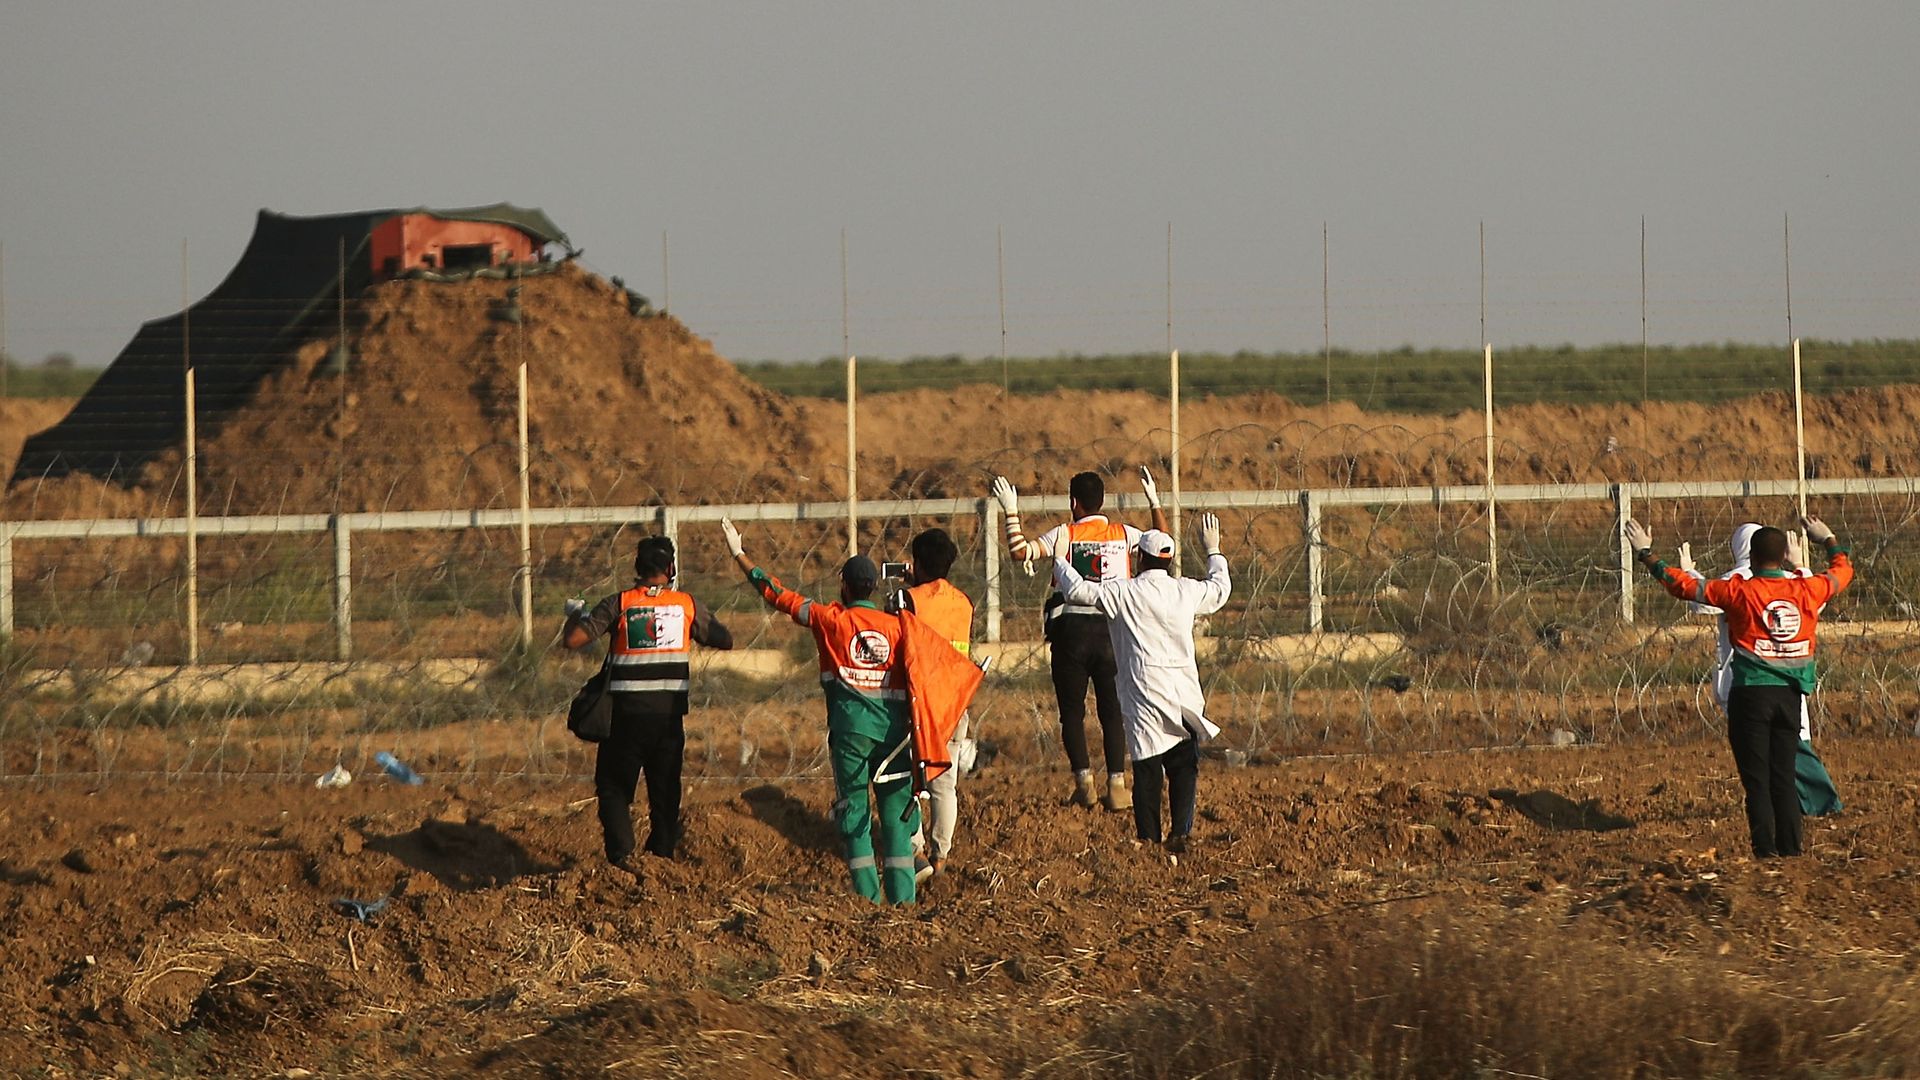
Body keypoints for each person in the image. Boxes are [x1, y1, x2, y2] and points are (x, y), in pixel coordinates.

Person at [1627, 515, 1853, 859]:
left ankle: (1765, 852)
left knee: (1757, 782)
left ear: (1749, 554)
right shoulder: (1806, 589)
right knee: (1783, 777)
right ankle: (1792, 853)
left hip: (1750, 696)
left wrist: (1645, 553)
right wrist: (1828, 538)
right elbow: (1842, 571)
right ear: (1783, 555)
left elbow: (1682, 587)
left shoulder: (1738, 590)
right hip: (1791, 696)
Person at [721, 517, 920, 904]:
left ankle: (868, 903)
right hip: (896, 736)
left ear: (844, 588)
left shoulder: (830, 619)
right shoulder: (899, 627)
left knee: (855, 816)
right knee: (897, 819)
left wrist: (740, 555)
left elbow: (778, 595)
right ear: (874, 588)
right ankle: (905, 904)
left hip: (851, 735)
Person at [990, 467, 1170, 812]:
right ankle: (1117, 785)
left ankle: (1083, 784)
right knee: (1112, 711)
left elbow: (1019, 551)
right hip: (1112, 630)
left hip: (1071, 631)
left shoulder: (1064, 534)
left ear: (1074, 502)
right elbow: (1163, 543)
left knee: (1072, 712)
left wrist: (1011, 511)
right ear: (1101, 501)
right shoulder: (1122, 534)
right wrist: (1154, 502)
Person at [1054, 513, 1231, 852]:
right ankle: (1181, 833)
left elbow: (1077, 591)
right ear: (1169, 561)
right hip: (1184, 693)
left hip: (1144, 692)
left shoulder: (1125, 591)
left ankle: (1149, 840)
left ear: (1138, 558)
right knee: (1183, 766)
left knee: (1147, 767)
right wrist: (1214, 551)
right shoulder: (1185, 591)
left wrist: (1062, 559)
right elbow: (1220, 589)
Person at [560, 536, 733, 867]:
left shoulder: (620, 603)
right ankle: (661, 862)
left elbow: (574, 640)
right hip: (668, 720)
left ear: (638, 568)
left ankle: (623, 857)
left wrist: (575, 614)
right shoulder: (686, 605)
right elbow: (724, 640)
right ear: (671, 568)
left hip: (624, 720)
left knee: (613, 789)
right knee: (665, 795)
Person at [1692, 523, 1843, 816]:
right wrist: (1802, 566)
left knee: (1763, 753)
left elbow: (1702, 603)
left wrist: (1690, 574)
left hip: (1745, 679)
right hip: (1788, 675)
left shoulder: (1735, 580)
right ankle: (1801, 808)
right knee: (1793, 743)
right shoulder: (1789, 580)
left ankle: (1814, 805)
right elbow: (1817, 600)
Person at [886, 527, 976, 881]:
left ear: (918, 562)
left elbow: (890, 629)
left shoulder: (909, 600)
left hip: (918, 701)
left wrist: (906, 587)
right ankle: (941, 856)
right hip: (954, 701)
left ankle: (915, 851)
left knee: (903, 778)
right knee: (944, 782)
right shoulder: (964, 602)